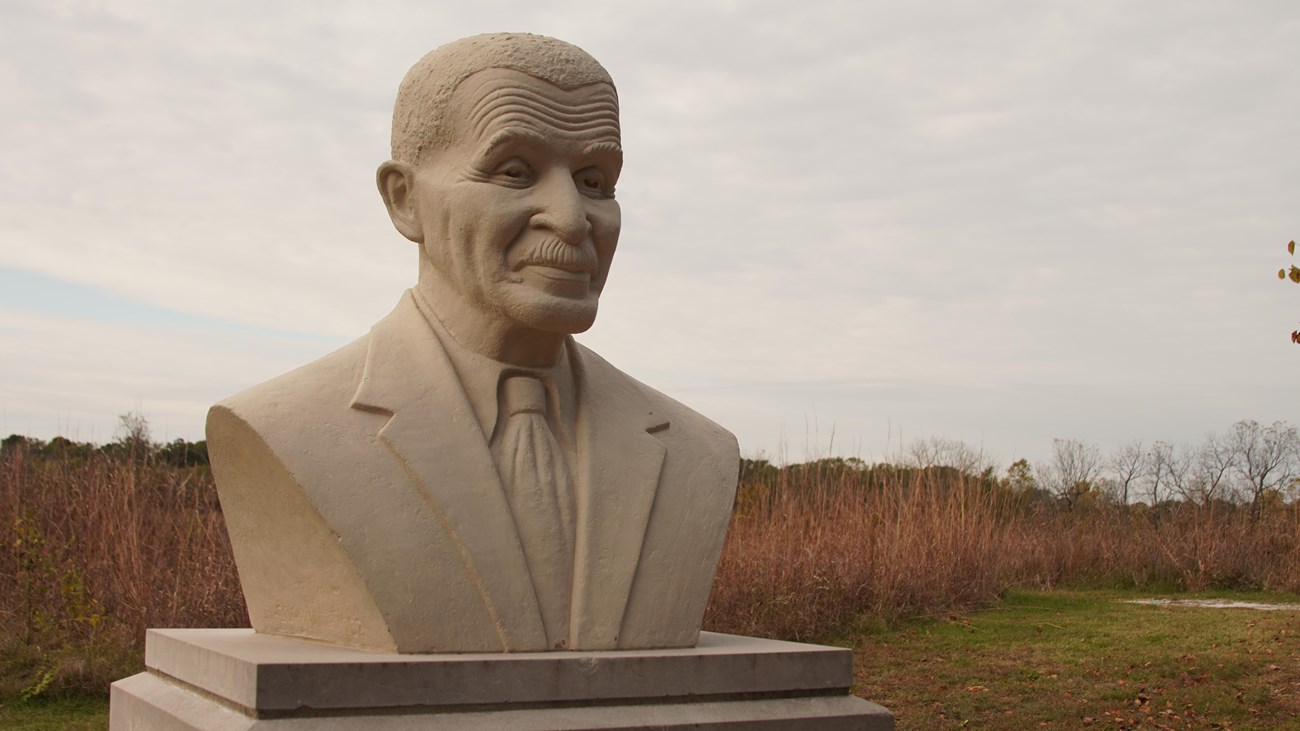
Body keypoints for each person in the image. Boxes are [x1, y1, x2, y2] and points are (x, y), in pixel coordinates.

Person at [207, 33, 739, 653]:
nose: (571, 219)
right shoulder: (284, 427)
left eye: (596, 181)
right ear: (404, 201)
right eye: (514, 172)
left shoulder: (700, 452)